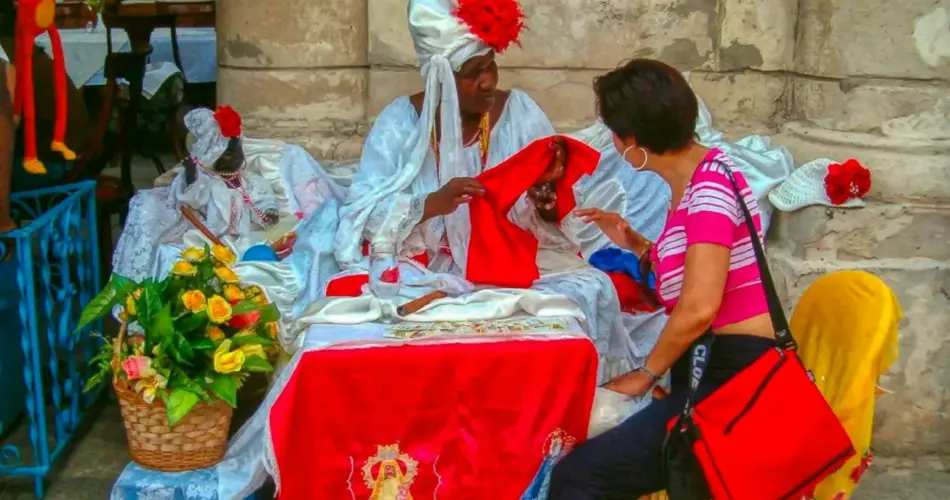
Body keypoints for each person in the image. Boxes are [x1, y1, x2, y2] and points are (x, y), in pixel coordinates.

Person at [311, 0, 648, 379]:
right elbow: (360, 216)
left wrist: (546, 194)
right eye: (473, 73)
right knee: (368, 308)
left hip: (515, 261)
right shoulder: (400, 123)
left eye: (491, 65)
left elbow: (557, 218)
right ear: (439, 77)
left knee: (589, 290)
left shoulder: (520, 113)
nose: (488, 81)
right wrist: (430, 204)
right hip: (425, 266)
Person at [547, 59, 776, 498]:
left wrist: (646, 374)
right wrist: (636, 244)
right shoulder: (701, 177)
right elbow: (700, 271)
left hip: (732, 381)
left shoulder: (709, 189)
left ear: (632, 141)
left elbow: (700, 306)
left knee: (577, 477)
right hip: (711, 368)